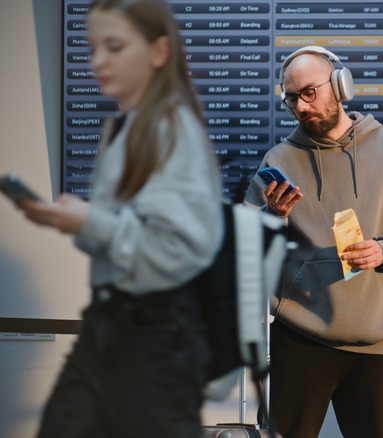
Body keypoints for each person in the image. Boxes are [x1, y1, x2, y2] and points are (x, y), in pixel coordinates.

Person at [15, 0, 224, 436]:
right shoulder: (124, 130)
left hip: (155, 336)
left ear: (158, 52)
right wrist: (73, 222)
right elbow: (113, 243)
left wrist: (89, 222)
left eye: (113, 46)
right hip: (105, 325)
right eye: (92, 48)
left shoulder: (173, 130)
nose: (97, 61)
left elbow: (179, 251)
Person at [243, 46, 383, 437]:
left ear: (340, 86)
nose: (301, 106)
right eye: (291, 97)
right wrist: (274, 218)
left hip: (376, 338)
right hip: (300, 335)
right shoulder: (278, 162)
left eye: (309, 93)